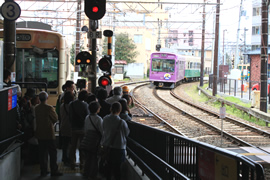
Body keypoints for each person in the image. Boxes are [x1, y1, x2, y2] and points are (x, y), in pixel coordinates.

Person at [35, 91, 63, 177]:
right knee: (52, 153)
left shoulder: (36, 108)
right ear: (47, 98)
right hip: (49, 133)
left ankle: (43, 170)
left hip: (39, 133)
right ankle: (54, 170)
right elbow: (55, 118)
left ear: (39, 99)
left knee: (42, 153)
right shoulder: (49, 108)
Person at [102, 102, 130, 180]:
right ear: (120, 110)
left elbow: (103, 129)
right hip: (119, 147)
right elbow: (127, 133)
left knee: (108, 167)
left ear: (111, 109)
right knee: (117, 169)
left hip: (107, 146)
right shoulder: (122, 122)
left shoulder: (105, 119)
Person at [81, 101, 103, 179]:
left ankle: (86, 173)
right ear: (97, 109)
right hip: (94, 142)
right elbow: (102, 131)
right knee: (94, 159)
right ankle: (93, 175)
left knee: (87, 159)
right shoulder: (98, 119)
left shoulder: (87, 117)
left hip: (87, 140)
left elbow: (86, 129)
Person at [69, 90, 89, 170]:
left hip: (73, 128)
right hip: (82, 128)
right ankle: (82, 163)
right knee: (82, 146)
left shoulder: (72, 104)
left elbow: (70, 116)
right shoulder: (85, 105)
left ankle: (72, 163)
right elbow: (87, 116)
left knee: (72, 147)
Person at [60, 91, 74, 166]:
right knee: (70, 144)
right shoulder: (71, 106)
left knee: (64, 144)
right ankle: (69, 159)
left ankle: (64, 158)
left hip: (63, 126)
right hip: (70, 127)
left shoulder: (62, 105)